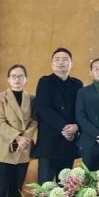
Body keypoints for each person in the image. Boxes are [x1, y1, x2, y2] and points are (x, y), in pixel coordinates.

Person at [0, 63, 37, 197]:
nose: (17, 79)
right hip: (4, 147)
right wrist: (17, 137)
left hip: (23, 149)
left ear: (26, 79)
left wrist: (25, 138)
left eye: (20, 76)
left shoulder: (32, 98)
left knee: (16, 188)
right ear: (8, 80)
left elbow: (34, 121)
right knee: (1, 190)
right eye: (14, 76)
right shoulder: (0, 97)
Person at [34, 47, 84, 183]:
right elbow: (43, 109)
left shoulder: (77, 84)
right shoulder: (44, 82)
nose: (61, 62)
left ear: (71, 64)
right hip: (48, 144)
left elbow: (80, 110)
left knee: (67, 188)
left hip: (69, 142)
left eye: (65, 59)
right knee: (45, 188)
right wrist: (64, 127)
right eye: (57, 59)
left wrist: (75, 127)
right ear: (52, 64)